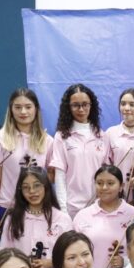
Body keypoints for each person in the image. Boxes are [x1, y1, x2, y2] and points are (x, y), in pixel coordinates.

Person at [0, 88, 52, 233]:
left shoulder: (47, 140)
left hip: (37, 207)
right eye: (18, 107)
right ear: (11, 110)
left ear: (36, 109)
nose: (23, 112)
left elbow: (52, 177)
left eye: (28, 107)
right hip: (8, 207)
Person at [0, 166, 74, 268]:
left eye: (37, 185)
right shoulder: (13, 218)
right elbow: (3, 252)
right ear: (20, 191)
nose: (32, 191)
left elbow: (72, 254)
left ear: (46, 186)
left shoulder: (62, 218)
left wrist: (51, 262)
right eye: (26, 188)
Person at [48, 83, 109, 219]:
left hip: (98, 205)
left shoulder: (102, 136)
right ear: (68, 107)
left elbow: (106, 174)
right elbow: (60, 175)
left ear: (91, 105)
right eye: (75, 105)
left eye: (85, 104)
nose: (81, 109)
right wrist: (63, 210)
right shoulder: (61, 136)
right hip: (72, 208)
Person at [73, 165, 134, 268]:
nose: (104, 187)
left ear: (121, 186)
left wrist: (125, 262)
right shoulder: (82, 215)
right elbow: (73, 251)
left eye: (110, 183)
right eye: (99, 183)